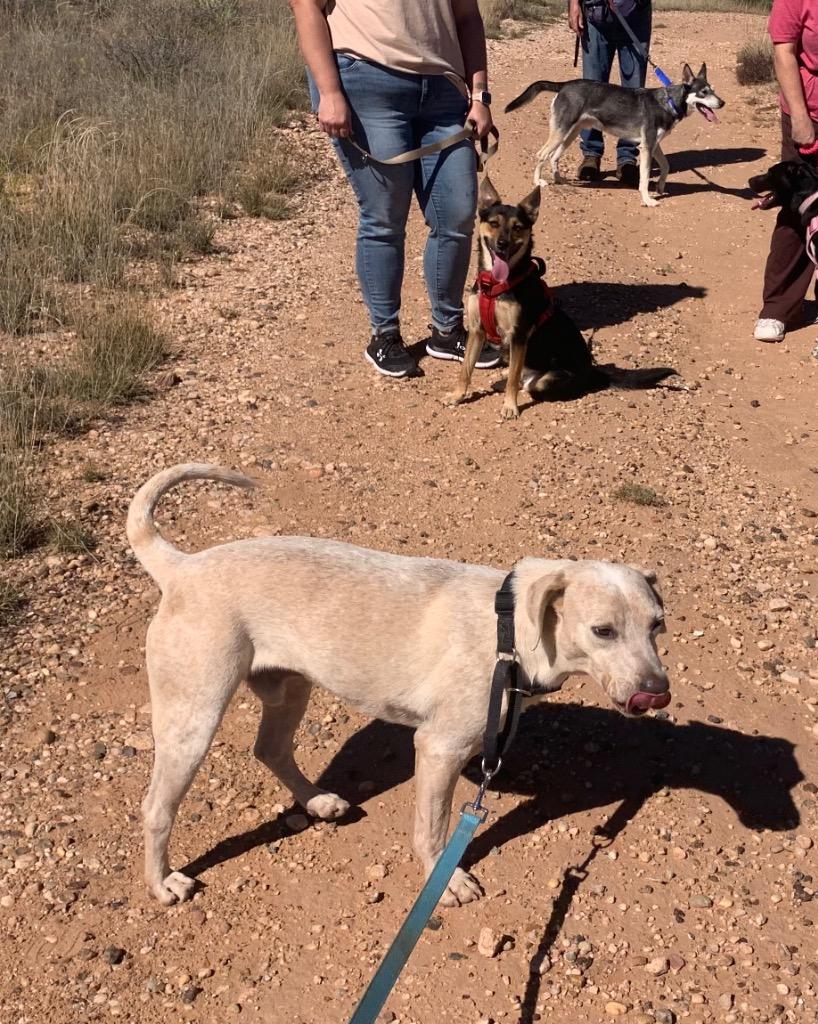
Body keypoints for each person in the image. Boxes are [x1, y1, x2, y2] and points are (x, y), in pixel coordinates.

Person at [289, 0, 501, 378]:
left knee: (456, 213)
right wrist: (329, 91)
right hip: (368, 80)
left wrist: (479, 95)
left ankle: (447, 329)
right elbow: (306, 7)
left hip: (444, 89)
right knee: (385, 216)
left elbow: (468, 17)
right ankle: (384, 335)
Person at [755, 0, 818, 346]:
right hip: (810, 111)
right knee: (800, 208)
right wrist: (800, 116)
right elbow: (784, 52)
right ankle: (778, 308)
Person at [568, 0, 652, 186]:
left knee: (634, 95)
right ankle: (591, 154)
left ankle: (627, 158)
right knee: (592, 93)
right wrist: (574, 5)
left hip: (635, 18)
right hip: (595, 18)